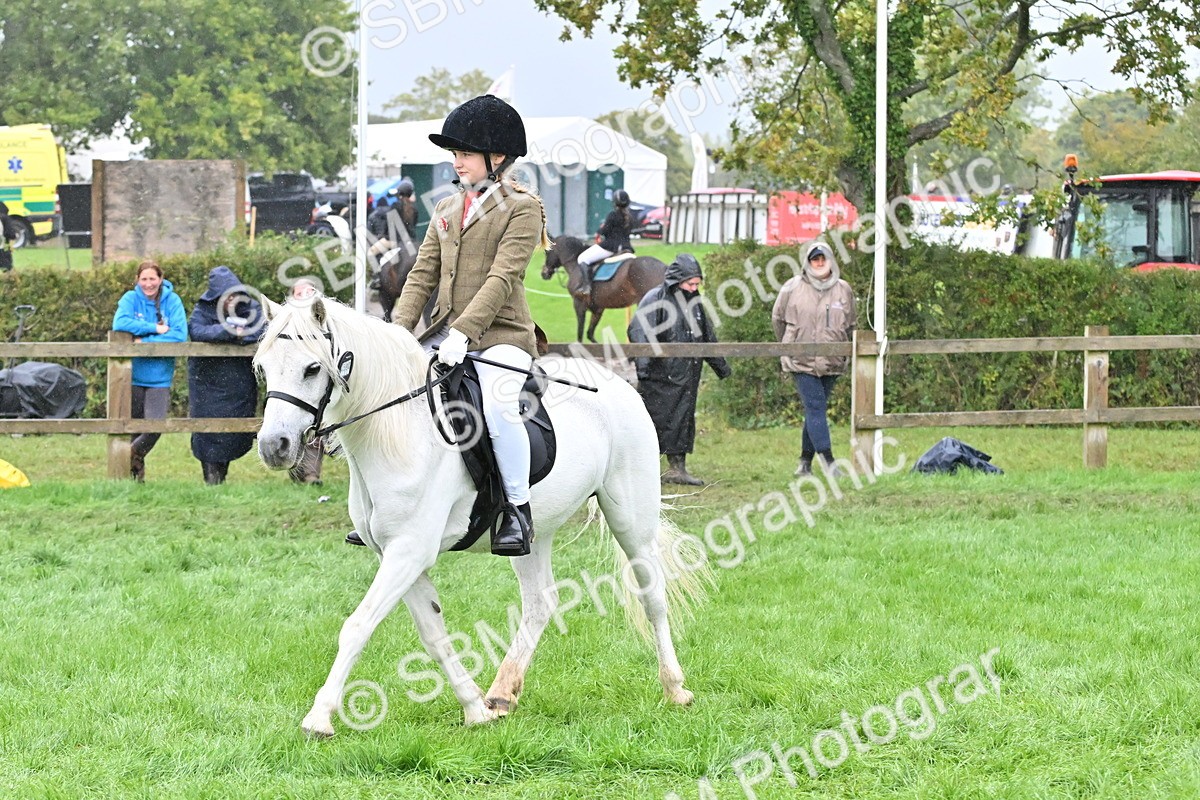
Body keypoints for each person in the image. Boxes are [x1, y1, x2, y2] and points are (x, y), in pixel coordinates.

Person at [393, 94, 551, 557]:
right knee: (391, 395)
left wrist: (464, 333)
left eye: (465, 153)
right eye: (455, 154)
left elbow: (503, 278)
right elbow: (420, 277)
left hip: (502, 334)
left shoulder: (522, 208)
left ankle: (517, 511)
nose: (457, 162)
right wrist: (397, 335)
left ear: (496, 157)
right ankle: (394, 506)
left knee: (501, 412)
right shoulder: (444, 209)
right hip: (443, 334)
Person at [627, 253, 731, 485]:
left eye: (697, 284)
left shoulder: (696, 304)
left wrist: (721, 367)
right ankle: (643, 471)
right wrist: (644, 369)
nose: (694, 288)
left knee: (683, 421)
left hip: (687, 376)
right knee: (654, 422)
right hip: (659, 377)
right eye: (690, 283)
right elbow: (640, 332)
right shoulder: (655, 299)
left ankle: (678, 469)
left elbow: (707, 338)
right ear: (677, 280)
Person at [771, 241, 857, 477]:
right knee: (816, 406)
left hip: (832, 361)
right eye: (814, 259)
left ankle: (804, 463)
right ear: (807, 263)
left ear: (831, 261)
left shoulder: (844, 289)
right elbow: (777, 319)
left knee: (814, 411)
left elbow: (851, 325)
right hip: (801, 360)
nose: (819, 263)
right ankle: (829, 462)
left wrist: (841, 350)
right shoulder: (792, 287)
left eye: (823, 259)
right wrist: (790, 344)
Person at [112, 260, 188, 481]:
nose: (148, 284)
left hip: (160, 377)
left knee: (154, 426)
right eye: (143, 279)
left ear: (160, 279)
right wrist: (154, 328)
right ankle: (135, 480)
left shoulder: (172, 301)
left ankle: (129, 455)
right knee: (134, 428)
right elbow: (120, 323)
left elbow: (179, 335)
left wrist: (144, 342)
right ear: (137, 280)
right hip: (132, 375)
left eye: (152, 279)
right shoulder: (130, 299)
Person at [186, 266, 263, 485]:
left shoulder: (250, 307)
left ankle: (222, 475)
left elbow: (260, 329)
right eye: (225, 296)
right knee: (208, 431)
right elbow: (198, 331)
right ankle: (211, 478)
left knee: (234, 431)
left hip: (238, 381)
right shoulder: (203, 310)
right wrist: (227, 332)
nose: (230, 300)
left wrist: (241, 336)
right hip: (207, 383)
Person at [286, 278, 326, 487]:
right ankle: (293, 467)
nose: (305, 296)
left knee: (315, 430)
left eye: (309, 292)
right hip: (290, 386)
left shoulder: (323, 320)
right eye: (300, 293)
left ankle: (311, 474)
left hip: (313, 383)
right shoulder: (284, 321)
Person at [576, 189, 634, 295]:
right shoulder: (630, 217)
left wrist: (599, 230)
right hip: (627, 247)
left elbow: (605, 231)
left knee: (582, 258)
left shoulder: (612, 215)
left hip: (610, 247)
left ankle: (587, 286)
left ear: (615, 202)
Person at [0, 201, 15, 272]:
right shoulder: (5, 218)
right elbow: (10, 234)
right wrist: (11, 247)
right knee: (7, 270)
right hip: (2, 249)